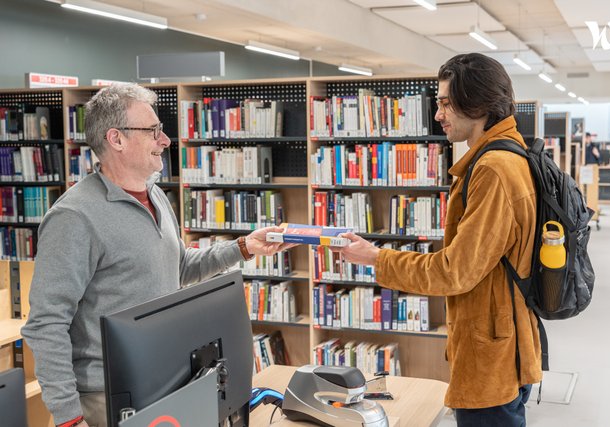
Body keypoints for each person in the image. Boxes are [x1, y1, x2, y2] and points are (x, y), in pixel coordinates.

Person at [21, 83, 293, 427]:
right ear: (116, 139)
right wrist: (68, 417)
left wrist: (243, 247)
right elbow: (46, 323)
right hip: (103, 403)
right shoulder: (74, 218)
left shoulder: (156, 195)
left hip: (163, 385)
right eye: (153, 131)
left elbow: (178, 268)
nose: (165, 141)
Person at [334, 53, 542, 427]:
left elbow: (454, 271)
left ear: (476, 103)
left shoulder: (494, 170)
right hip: (501, 342)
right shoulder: (501, 157)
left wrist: (375, 258)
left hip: (491, 356)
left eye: (445, 103)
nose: (438, 114)